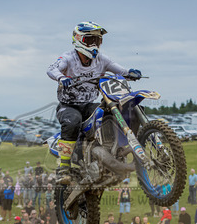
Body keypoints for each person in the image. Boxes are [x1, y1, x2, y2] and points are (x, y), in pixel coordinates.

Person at [46, 21, 141, 184]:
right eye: (90, 40)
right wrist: (61, 77)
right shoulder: (68, 58)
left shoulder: (102, 59)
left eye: (97, 41)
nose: (94, 45)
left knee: (112, 112)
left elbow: (120, 70)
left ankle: (116, 151)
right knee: (72, 122)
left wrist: (130, 72)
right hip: (68, 106)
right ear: (79, 40)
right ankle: (63, 168)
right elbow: (51, 69)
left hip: (89, 104)